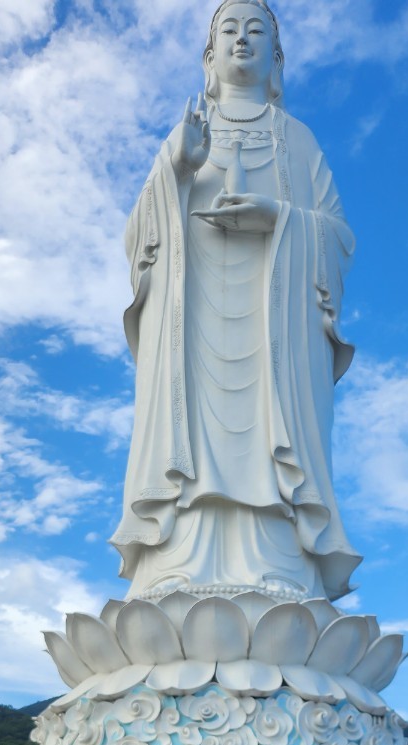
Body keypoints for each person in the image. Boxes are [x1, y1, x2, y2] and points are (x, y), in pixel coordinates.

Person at [111, 0, 361, 602]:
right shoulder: (183, 133)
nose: (242, 40)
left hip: (275, 333)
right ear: (210, 53)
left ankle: (281, 567)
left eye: (257, 31)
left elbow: (338, 236)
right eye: (230, 30)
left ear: (275, 58)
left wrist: (280, 218)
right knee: (190, 437)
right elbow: (136, 239)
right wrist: (176, 166)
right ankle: (175, 565)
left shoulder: (297, 141)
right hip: (191, 320)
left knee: (270, 440)